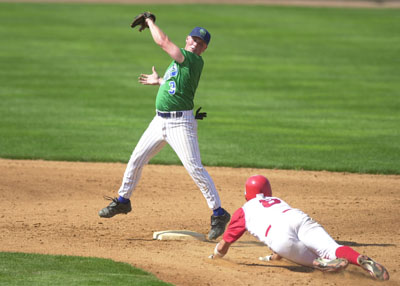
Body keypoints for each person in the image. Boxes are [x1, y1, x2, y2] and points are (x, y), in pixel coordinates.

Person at [98, 14, 230, 240]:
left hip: (181, 124)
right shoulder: (181, 62)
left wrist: (149, 21)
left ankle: (219, 213)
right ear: (188, 39)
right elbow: (175, 85)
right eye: (194, 39)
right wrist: (158, 81)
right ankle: (123, 200)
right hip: (159, 121)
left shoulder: (191, 59)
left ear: (203, 49)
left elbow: (162, 41)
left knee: (194, 168)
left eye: (201, 43)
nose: (196, 44)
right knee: (136, 159)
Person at [209, 175, 390, 281]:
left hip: (278, 235)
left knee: (312, 260)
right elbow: (285, 229)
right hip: (298, 217)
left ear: (246, 193)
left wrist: (216, 255)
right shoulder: (277, 200)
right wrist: (274, 257)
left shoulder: (244, 211)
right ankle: (358, 258)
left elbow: (225, 245)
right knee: (332, 248)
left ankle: (320, 263)